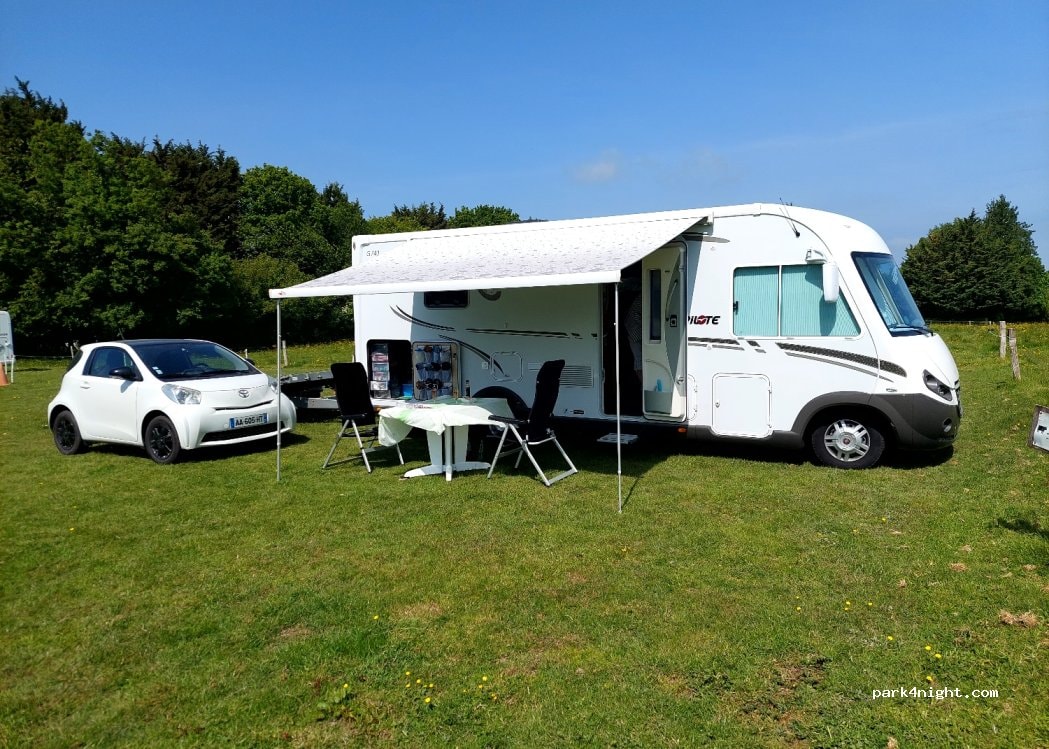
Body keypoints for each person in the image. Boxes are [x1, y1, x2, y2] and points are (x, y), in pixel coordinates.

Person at [626, 292, 643, 383]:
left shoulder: (641, 297)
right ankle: (643, 384)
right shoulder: (644, 297)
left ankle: (643, 384)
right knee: (639, 360)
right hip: (635, 331)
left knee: (639, 360)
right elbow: (637, 316)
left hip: (634, 330)